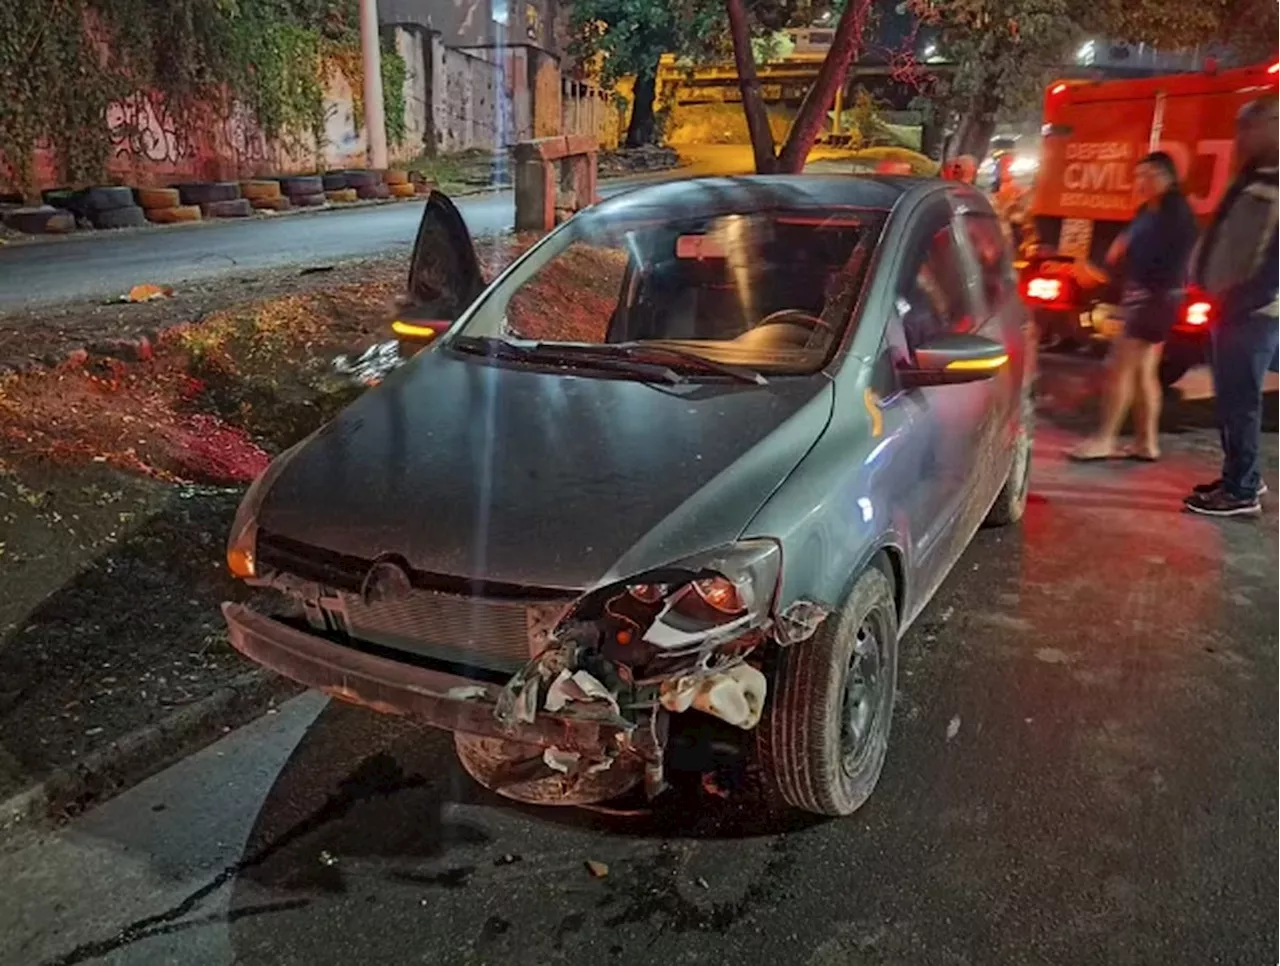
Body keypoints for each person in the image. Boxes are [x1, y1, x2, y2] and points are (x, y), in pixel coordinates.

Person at [1184, 96, 1280, 517]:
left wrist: (1250, 297)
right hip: (1234, 308)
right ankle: (1242, 476)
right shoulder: (1255, 176)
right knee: (1231, 400)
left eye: (1251, 127)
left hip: (1253, 312)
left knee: (1240, 402)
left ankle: (1240, 491)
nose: (1241, 137)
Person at [1069, 152, 1198, 462]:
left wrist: (1132, 290)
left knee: (1118, 367)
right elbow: (1124, 250)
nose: (1142, 181)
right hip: (1144, 297)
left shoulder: (1176, 215)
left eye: (1150, 174)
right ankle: (1146, 442)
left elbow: (1168, 264)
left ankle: (1105, 439)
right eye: (1139, 175)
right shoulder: (1147, 212)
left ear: (1169, 178)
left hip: (1155, 299)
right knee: (1143, 372)